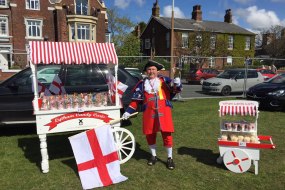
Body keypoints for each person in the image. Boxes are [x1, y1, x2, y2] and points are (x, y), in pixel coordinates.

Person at [122, 60, 182, 170]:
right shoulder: (141, 84)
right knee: (150, 134)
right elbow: (135, 101)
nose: (151, 71)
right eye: (149, 69)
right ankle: (153, 156)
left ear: (157, 71)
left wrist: (177, 83)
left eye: (153, 69)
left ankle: (170, 158)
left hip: (164, 112)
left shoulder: (165, 81)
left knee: (167, 134)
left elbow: (175, 90)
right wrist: (128, 111)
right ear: (146, 71)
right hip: (149, 113)